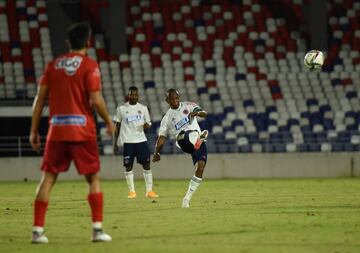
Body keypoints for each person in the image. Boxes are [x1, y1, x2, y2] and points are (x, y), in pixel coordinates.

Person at [29, 22, 114, 244]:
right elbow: (96, 99)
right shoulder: (90, 65)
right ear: (88, 42)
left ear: (68, 43)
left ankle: (37, 231)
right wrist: (109, 121)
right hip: (82, 131)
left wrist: (33, 130)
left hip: (56, 130)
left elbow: (39, 101)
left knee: (48, 178)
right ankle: (97, 230)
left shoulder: (52, 65)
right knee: (93, 178)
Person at [152, 89, 208, 208]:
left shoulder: (189, 105)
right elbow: (161, 139)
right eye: (172, 99)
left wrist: (196, 113)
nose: (175, 101)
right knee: (186, 134)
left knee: (201, 167)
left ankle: (186, 199)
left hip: (197, 142)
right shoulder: (167, 118)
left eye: (177, 98)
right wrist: (156, 153)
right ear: (167, 100)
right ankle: (199, 137)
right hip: (183, 140)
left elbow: (204, 113)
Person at [113, 86, 158, 199]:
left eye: (135, 94)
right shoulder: (121, 109)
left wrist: (147, 125)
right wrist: (115, 143)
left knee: (147, 165)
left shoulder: (143, 108)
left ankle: (149, 191)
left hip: (141, 140)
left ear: (138, 95)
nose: (133, 96)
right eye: (131, 94)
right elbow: (117, 126)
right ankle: (132, 192)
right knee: (128, 166)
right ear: (128, 95)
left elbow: (148, 123)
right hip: (128, 141)